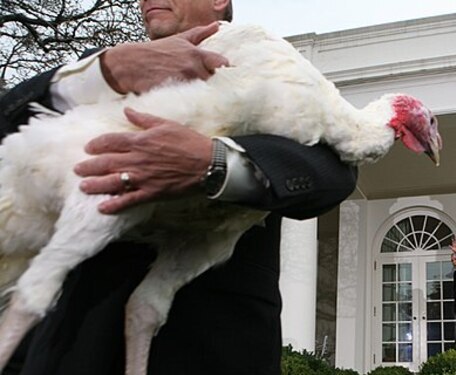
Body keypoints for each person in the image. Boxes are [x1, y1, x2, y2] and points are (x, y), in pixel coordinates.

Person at [0, 0, 357, 374]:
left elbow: (335, 171)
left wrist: (215, 162)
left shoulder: (277, 72)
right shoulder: (105, 69)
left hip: (211, 352)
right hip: (74, 351)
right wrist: (105, 71)